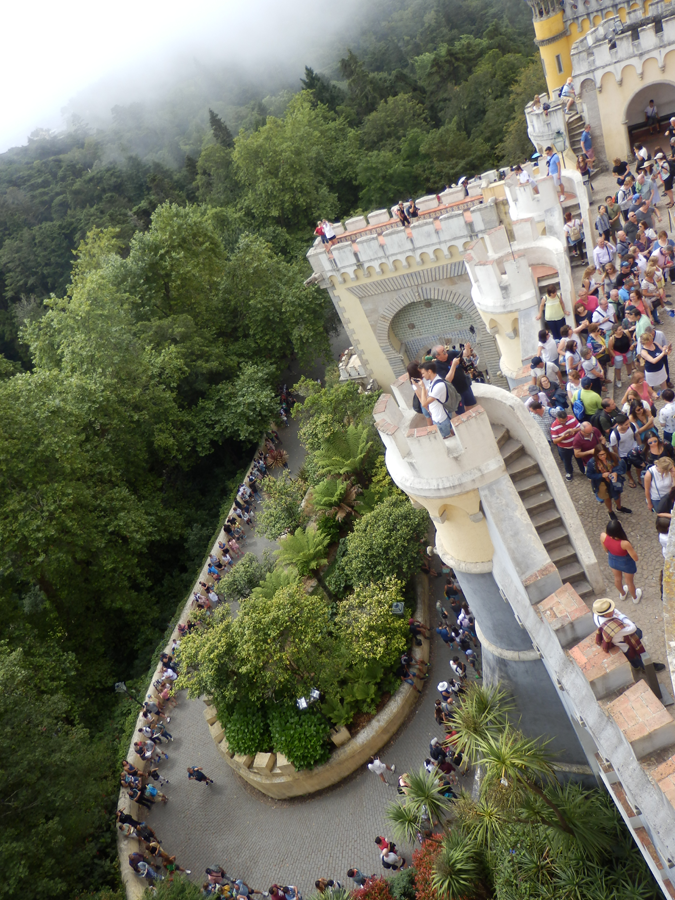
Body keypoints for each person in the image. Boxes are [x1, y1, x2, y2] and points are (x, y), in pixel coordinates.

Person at [600, 515, 642, 604]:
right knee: (629, 582)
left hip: (613, 560)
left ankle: (622, 594)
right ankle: (635, 597)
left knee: (617, 578)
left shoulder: (603, 536)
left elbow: (606, 550)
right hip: (626, 563)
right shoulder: (624, 543)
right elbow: (635, 558)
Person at [593, 598, 645, 666]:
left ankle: (636, 666)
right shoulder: (614, 627)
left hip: (619, 640)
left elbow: (616, 611)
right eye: (611, 610)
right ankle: (643, 667)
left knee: (632, 659)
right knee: (637, 658)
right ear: (606, 615)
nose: (614, 609)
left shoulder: (597, 614)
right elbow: (633, 627)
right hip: (625, 645)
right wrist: (621, 617)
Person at [409, 362, 453, 440]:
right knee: (447, 433)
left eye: (423, 373)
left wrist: (422, 387)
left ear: (429, 371)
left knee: (447, 438)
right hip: (437, 416)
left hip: (440, 418)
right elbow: (423, 398)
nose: (422, 375)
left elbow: (423, 403)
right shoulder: (431, 382)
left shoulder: (437, 385)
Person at [431, 345, 477, 413]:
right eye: (443, 351)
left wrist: (467, 348)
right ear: (437, 356)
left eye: (444, 349)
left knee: (470, 405)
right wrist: (453, 365)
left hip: (465, 385)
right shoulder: (437, 366)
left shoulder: (451, 354)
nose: (445, 351)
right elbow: (447, 380)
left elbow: (465, 354)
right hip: (455, 392)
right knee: (460, 412)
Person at [586, 446, 630, 515]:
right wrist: (601, 475)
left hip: (613, 480)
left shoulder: (612, 456)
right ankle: (610, 511)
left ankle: (619, 507)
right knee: (607, 498)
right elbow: (589, 474)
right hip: (601, 483)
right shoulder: (592, 462)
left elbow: (619, 465)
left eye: (604, 454)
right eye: (600, 455)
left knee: (617, 495)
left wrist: (615, 472)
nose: (602, 456)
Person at [608, 413, 643, 488]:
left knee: (639, 466)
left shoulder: (632, 426)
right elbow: (614, 447)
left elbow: (637, 435)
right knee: (627, 468)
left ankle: (640, 479)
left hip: (634, 449)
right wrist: (618, 458)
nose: (628, 425)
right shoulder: (614, 435)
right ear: (620, 425)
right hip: (623, 454)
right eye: (626, 424)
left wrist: (640, 447)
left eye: (628, 423)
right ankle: (631, 479)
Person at [550, 409, 583, 480]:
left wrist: (574, 430)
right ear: (557, 418)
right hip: (564, 448)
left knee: (579, 458)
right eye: (562, 422)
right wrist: (563, 437)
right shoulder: (554, 426)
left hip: (576, 445)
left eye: (565, 421)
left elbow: (580, 427)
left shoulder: (571, 418)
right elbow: (555, 441)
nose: (564, 423)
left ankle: (583, 470)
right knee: (567, 461)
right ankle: (569, 472)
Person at [607, 323, 634, 388]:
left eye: (621, 328)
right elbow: (610, 349)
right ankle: (618, 379)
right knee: (618, 368)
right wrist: (614, 356)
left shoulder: (626, 333)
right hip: (618, 354)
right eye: (619, 330)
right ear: (615, 331)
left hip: (627, 351)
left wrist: (630, 347)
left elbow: (629, 340)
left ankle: (629, 374)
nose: (621, 330)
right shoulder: (612, 339)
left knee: (629, 363)